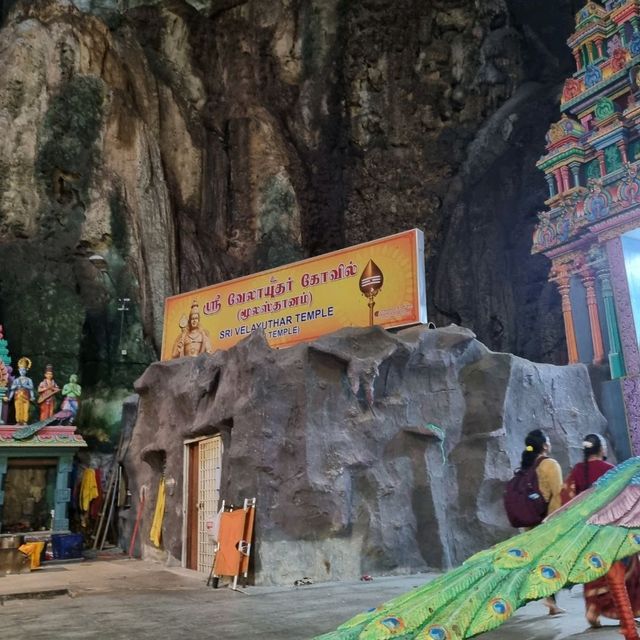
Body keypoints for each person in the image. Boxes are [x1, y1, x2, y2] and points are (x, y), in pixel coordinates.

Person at [561, 434, 640, 628]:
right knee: (626, 569)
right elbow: (625, 502)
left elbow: (566, 499)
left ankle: (593, 609)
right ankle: (625, 611)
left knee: (593, 569)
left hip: (587, 533)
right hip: (611, 532)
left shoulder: (576, 472)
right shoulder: (611, 471)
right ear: (602, 450)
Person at [520, 428, 565, 615]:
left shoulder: (526, 465)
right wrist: (558, 521)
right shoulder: (550, 464)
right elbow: (558, 493)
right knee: (554, 561)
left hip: (531, 523)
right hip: (549, 521)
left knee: (542, 561)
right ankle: (551, 601)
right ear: (545, 445)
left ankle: (550, 601)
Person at [5, 357, 35, 424]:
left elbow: (31, 388)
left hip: (26, 396)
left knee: (25, 409)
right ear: (19, 370)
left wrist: (32, 396)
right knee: (18, 409)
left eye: (24, 370)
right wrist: (9, 398)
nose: (22, 372)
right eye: (21, 370)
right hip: (18, 396)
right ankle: (18, 421)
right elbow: (12, 389)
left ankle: (24, 421)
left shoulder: (28, 380)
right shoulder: (16, 380)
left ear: (26, 370)